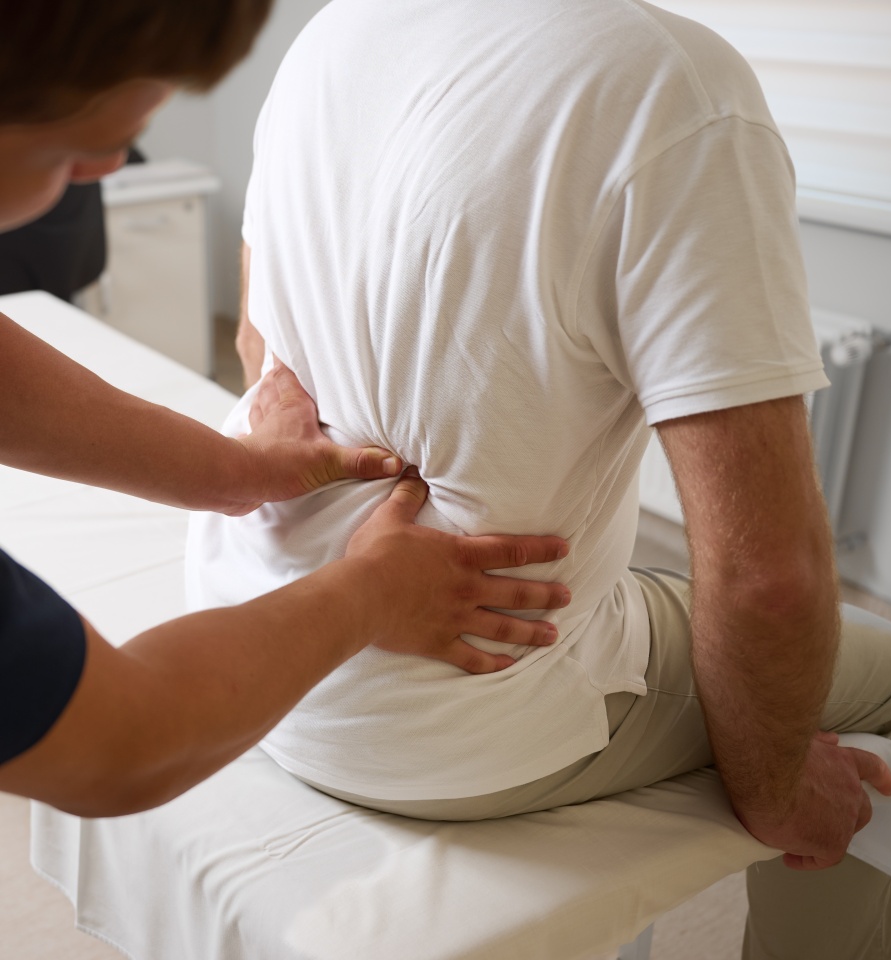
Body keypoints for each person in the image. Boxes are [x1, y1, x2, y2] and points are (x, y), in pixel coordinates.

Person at [193, 2, 891, 958]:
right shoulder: (678, 88)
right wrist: (782, 788)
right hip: (441, 711)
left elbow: (261, 348)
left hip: (257, 620)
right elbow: (769, 577)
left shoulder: (331, 33)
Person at [0, 0, 573, 818]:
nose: (111, 168)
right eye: (75, 150)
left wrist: (230, 472)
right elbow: (114, 747)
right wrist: (373, 591)